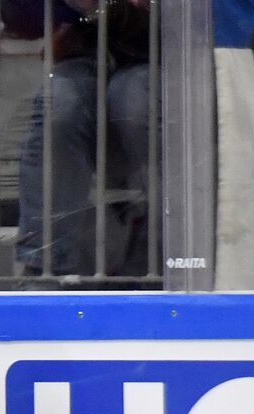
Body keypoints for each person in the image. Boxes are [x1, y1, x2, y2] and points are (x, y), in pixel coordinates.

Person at [8, 0, 154, 278]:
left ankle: (158, 262)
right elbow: (23, 23)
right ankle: (44, 265)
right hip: (87, 51)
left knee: (134, 103)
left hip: (163, 54)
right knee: (59, 108)